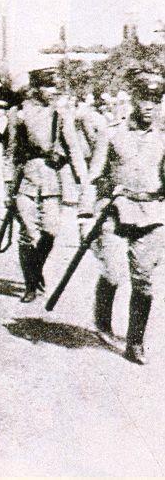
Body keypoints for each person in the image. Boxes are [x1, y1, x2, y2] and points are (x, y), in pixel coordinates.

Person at [78, 69, 164, 365]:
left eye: (157, 99)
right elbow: (94, 175)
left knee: (143, 281)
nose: (151, 106)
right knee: (114, 271)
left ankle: (135, 343)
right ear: (135, 99)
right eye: (146, 99)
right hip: (114, 212)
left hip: (150, 214)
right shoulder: (111, 133)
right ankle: (102, 320)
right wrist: (84, 214)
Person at [2, 70, 87, 303]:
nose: (53, 92)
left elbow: (74, 149)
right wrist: (8, 183)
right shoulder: (18, 114)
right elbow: (10, 151)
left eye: (55, 88)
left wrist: (84, 181)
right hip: (25, 179)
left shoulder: (60, 114)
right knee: (28, 232)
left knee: (50, 230)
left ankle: (35, 270)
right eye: (48, 87)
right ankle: (30, 285)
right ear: (36, 88)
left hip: (51, 179)